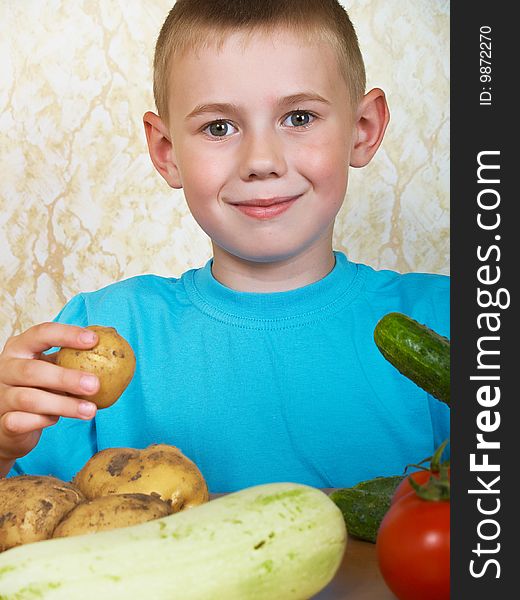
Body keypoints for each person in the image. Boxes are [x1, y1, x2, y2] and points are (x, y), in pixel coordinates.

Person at [0, 0, 449, 492]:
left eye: (299, 118)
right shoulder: (96, 331)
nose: (261, 161)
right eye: (219, 127)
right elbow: (26, 521)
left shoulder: (448, 321)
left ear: (363, 129)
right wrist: (2, 448)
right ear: (166, 152)